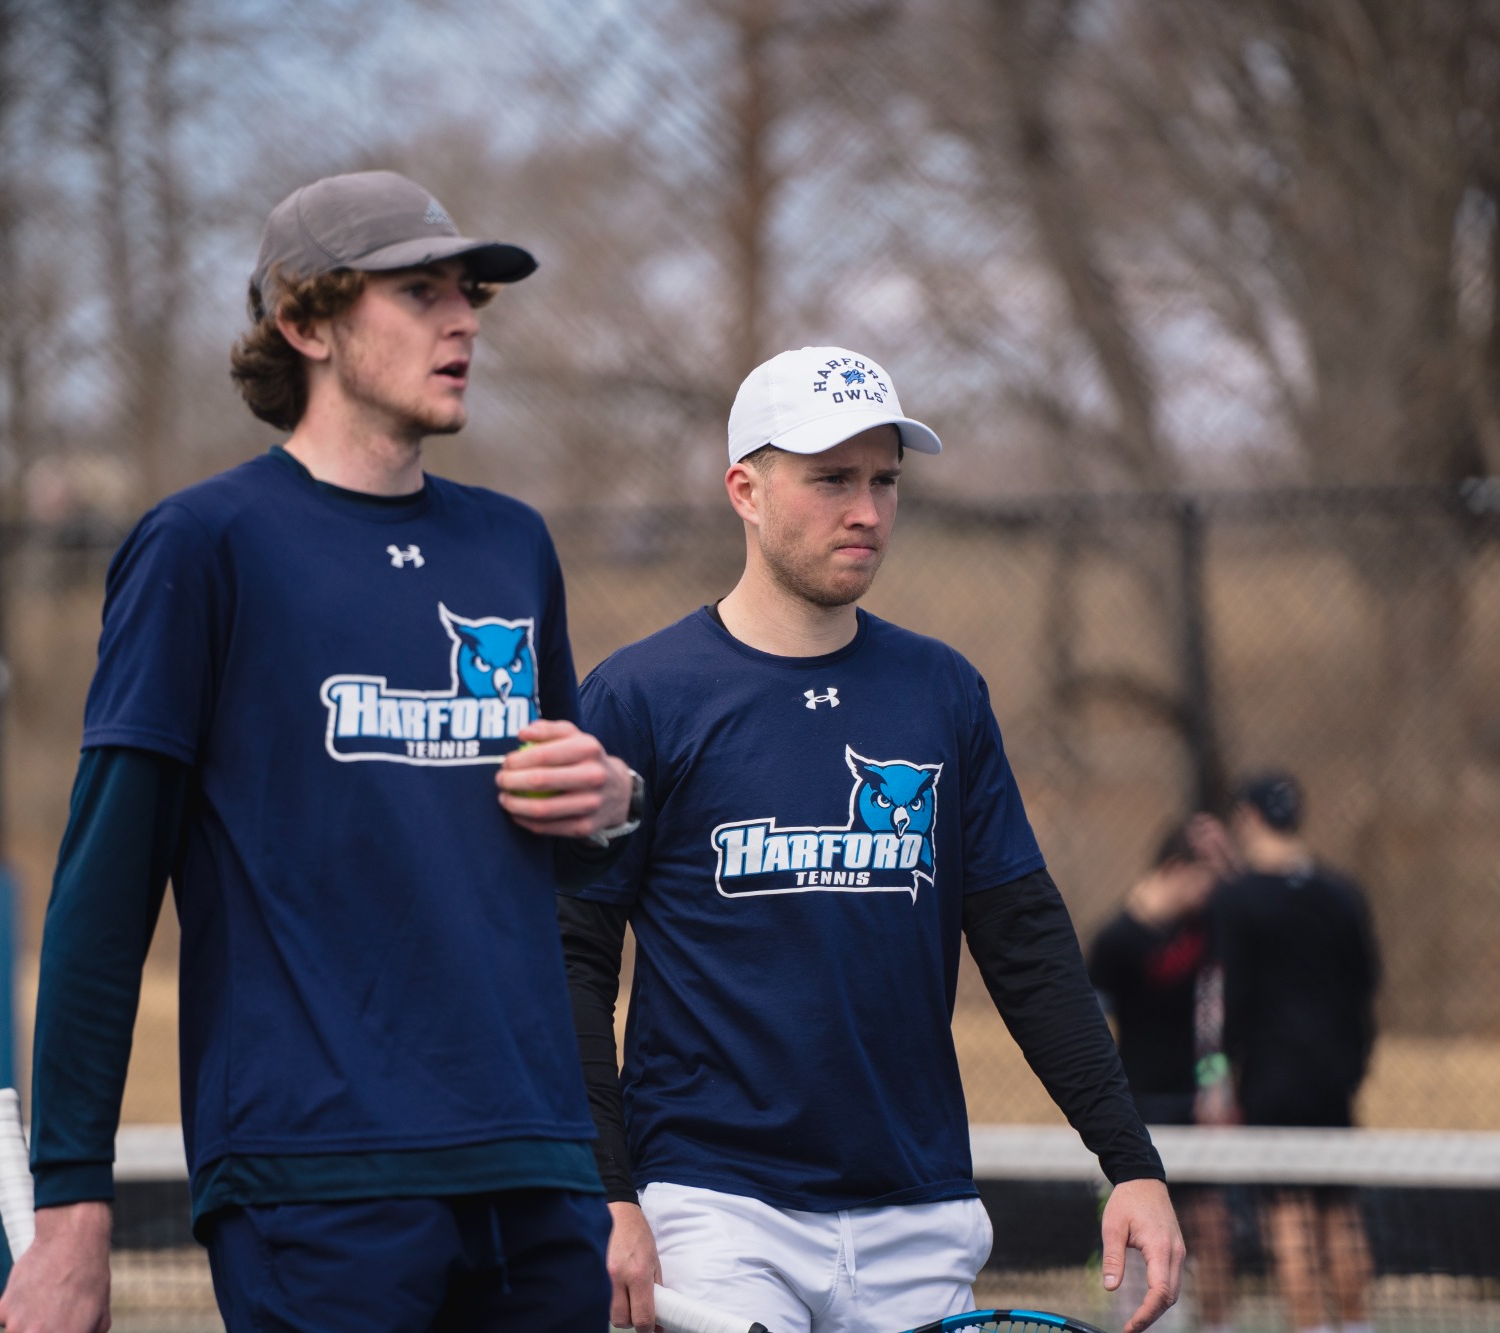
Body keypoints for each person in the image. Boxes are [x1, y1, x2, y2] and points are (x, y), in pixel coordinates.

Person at [0, 171, 641, 1333]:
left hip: (535, 1168)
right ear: (305, 323)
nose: (462, 320)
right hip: (315, 1176)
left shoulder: (512, 546)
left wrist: (612, 805)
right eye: (417, 291)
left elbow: (555, 870)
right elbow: (104, 890)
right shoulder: (202, 547)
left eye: (470, 292)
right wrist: (69, 1207)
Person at [557, 346, 1184, 1333]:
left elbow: (1023, 943)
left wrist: (1129, 1163)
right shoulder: (637, 697)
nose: (866, 510)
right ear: (744, 490)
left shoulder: (941, 693)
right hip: (716, 1209)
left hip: (914, 1212)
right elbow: (573, 961)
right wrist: (606, 1190)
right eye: (831, 479)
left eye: (884, 479)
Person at [1217, 772, 1381, 1333]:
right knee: (1339, 1207)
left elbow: (1227, 1001)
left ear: (1247, 818)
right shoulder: (1343, 894)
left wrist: (1220, 1074)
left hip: (1271, 1078)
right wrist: (1355, 1061)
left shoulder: (1236, 902)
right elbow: (1366, 984)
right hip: (1333, 1075)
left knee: (1287, 1212)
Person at [1088, 822, 1234, 1333]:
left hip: (1196, 1109)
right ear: (1175, 869)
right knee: (1135, 1239)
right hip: (1140, 1114)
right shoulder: (1116, 941)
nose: (1210, 889)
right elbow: (1093, 1037)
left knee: (1213, 1229)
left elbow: (1216, 1020)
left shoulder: (1209, 926)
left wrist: (1216, 1085)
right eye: (1202, 877)